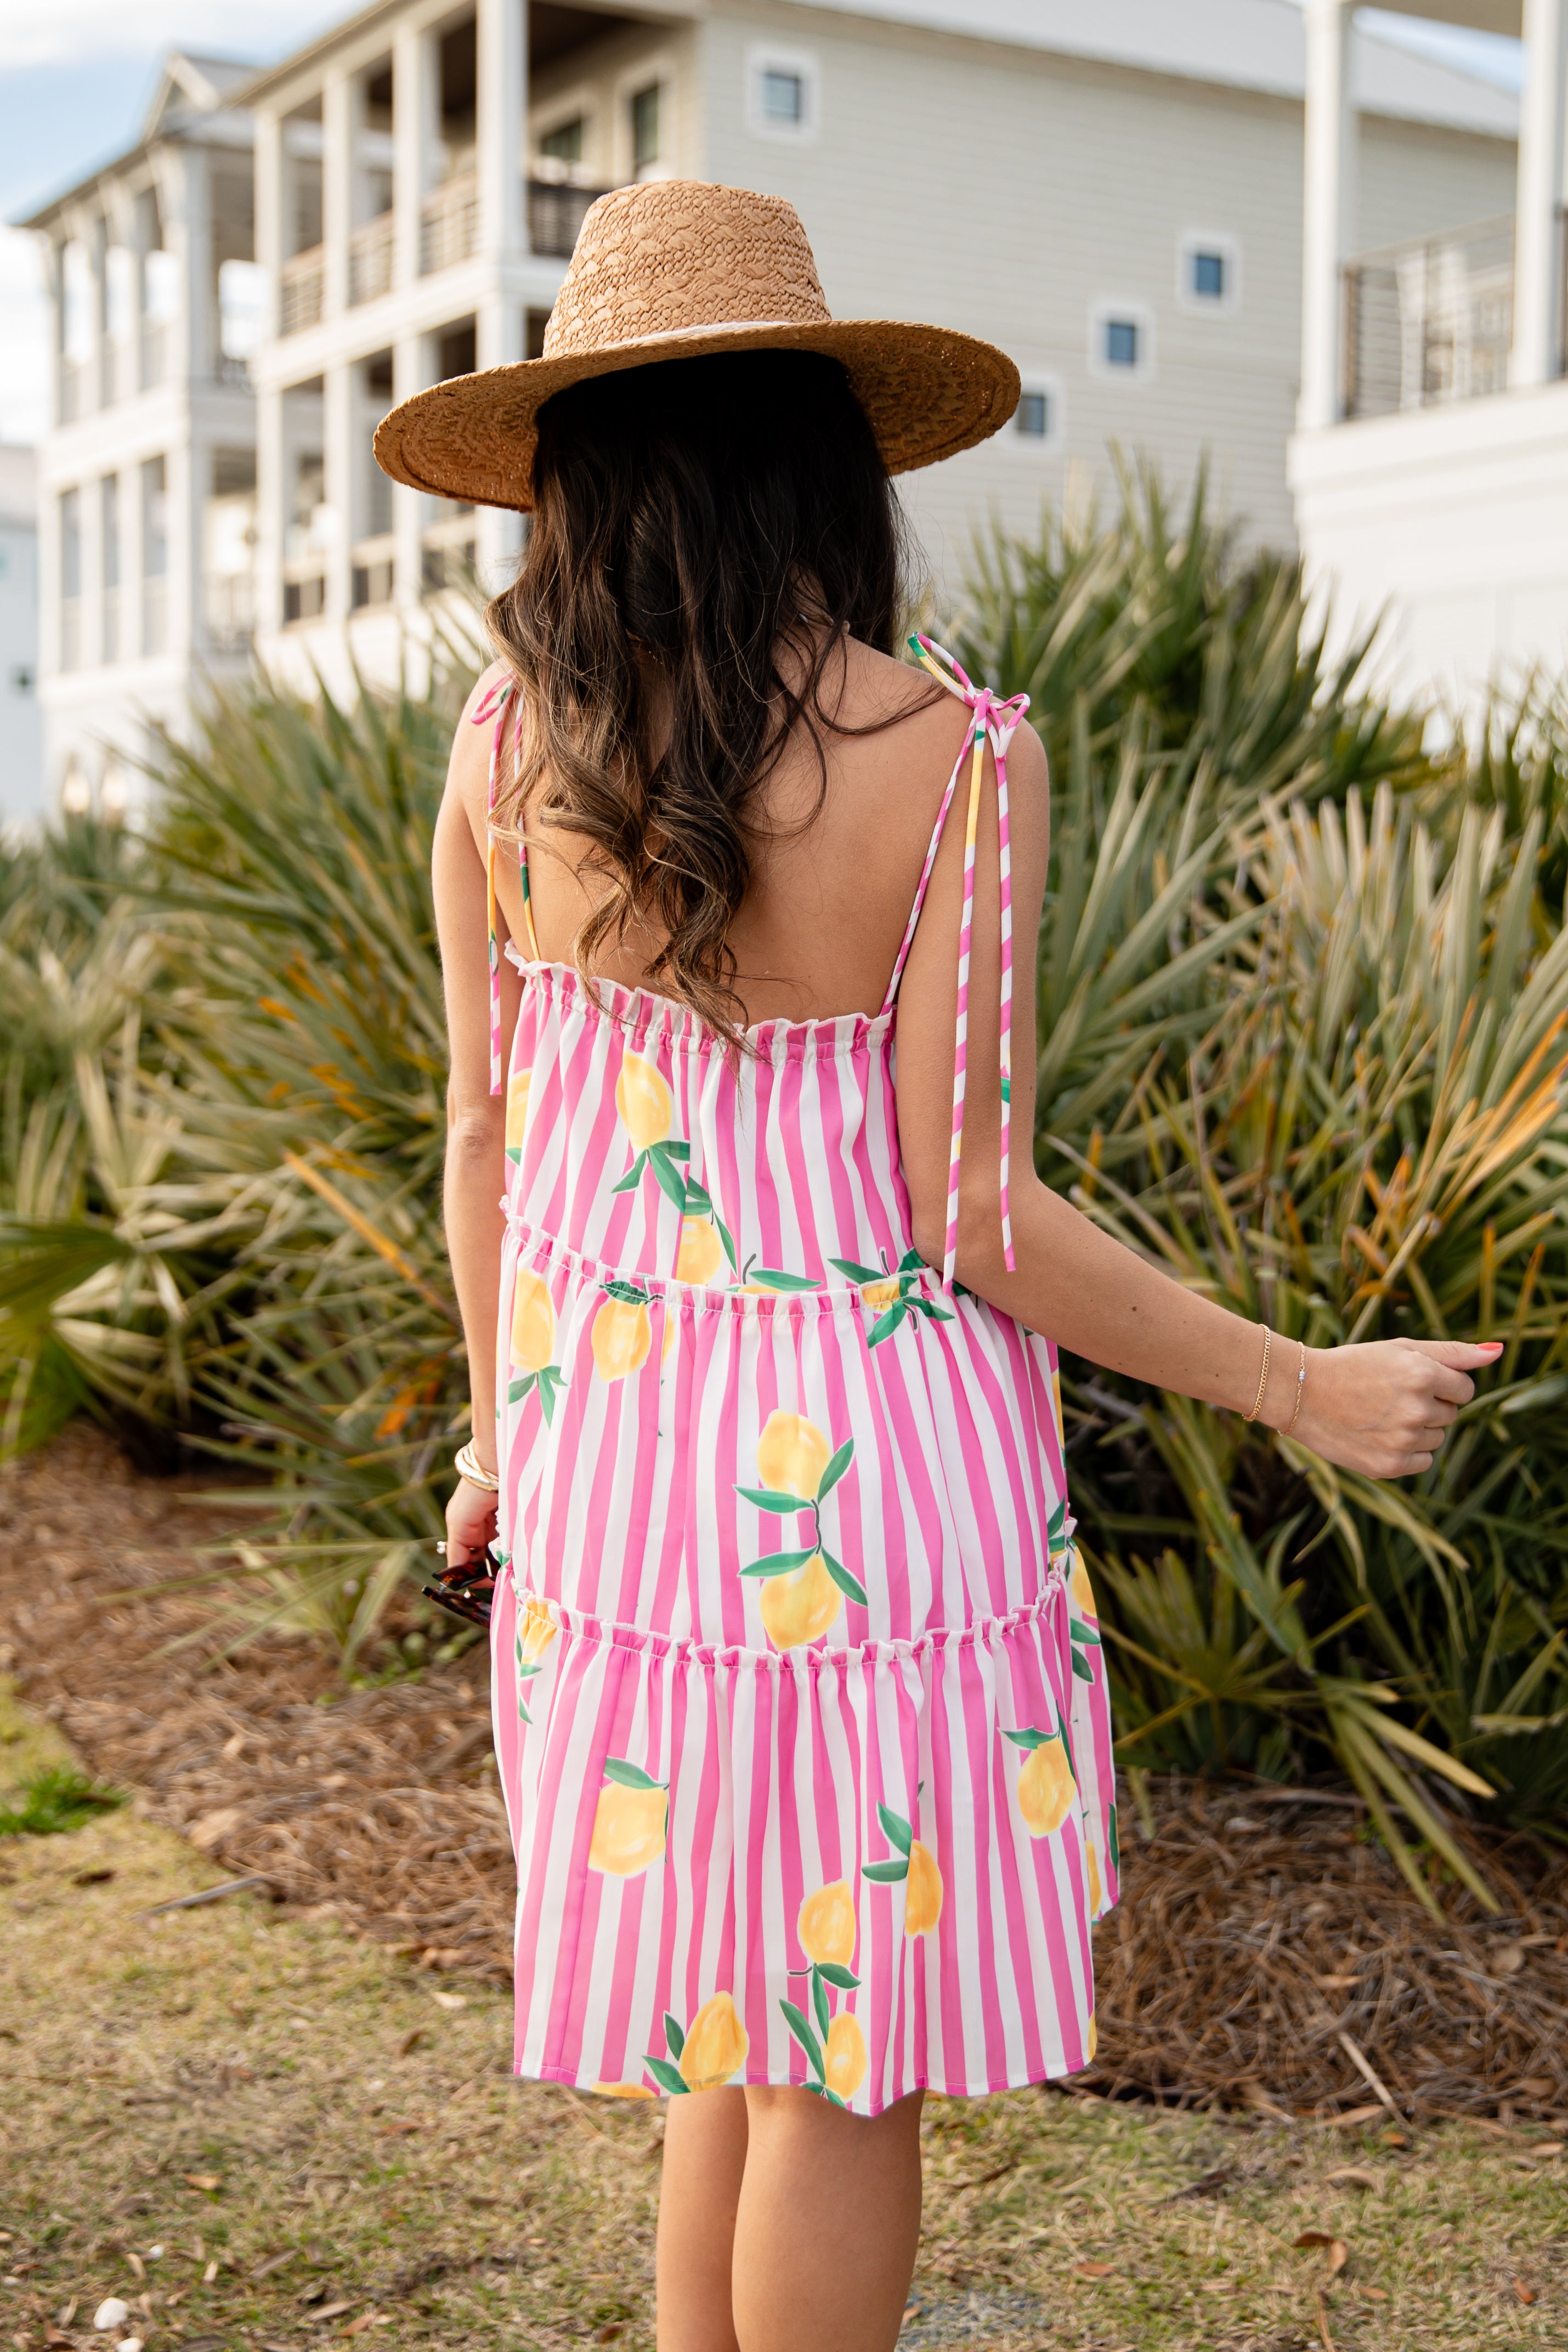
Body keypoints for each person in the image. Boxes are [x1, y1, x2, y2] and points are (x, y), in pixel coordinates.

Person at [380, 181, 1499, 2352]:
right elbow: (964, 1205)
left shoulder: (502, 749)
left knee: (724, 2027)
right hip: (866, 1506)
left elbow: (483, 1138)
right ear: (825, 459)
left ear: (578, 479)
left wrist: (507, 1446)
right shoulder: (952, 758)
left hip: (611, 1480)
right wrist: (1297, 1381)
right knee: (842, 2056)